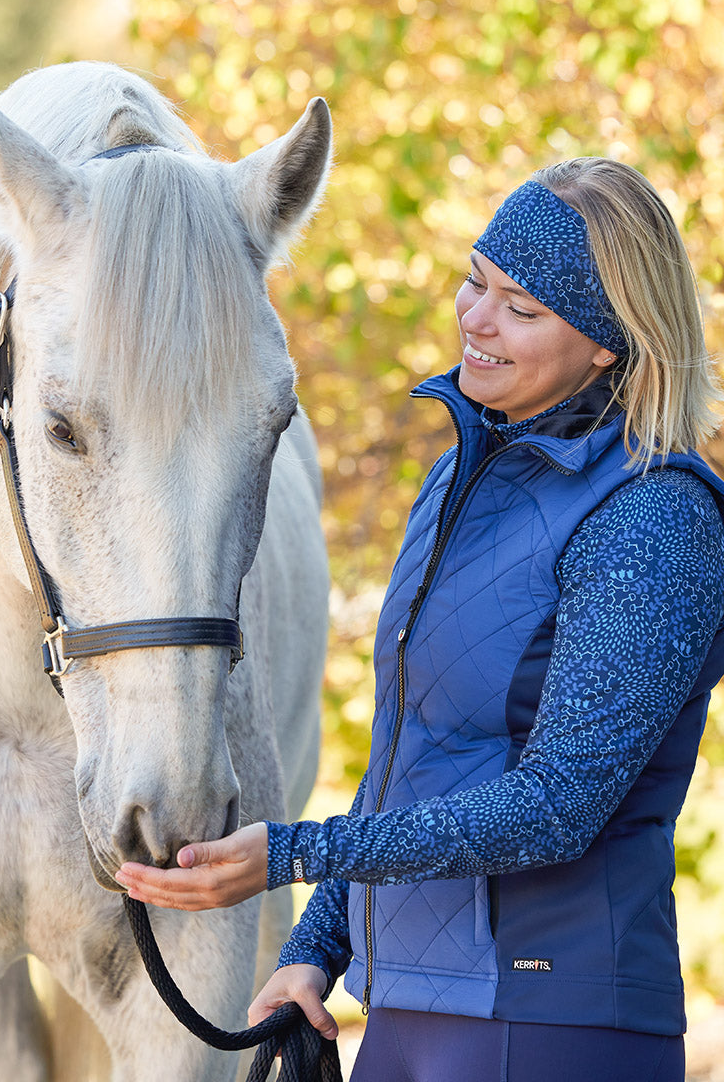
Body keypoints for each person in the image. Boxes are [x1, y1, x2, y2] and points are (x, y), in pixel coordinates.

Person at [116, 157, 724, 1082]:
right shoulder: (456, 482)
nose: (477, 322)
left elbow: (557, 809)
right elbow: (412, 757)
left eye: (522, 309)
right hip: (407, 1011)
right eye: (476, 282)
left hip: (553, 1021)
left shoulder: (653, 516)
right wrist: (318, 948)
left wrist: (289, 857)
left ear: (609, 343)